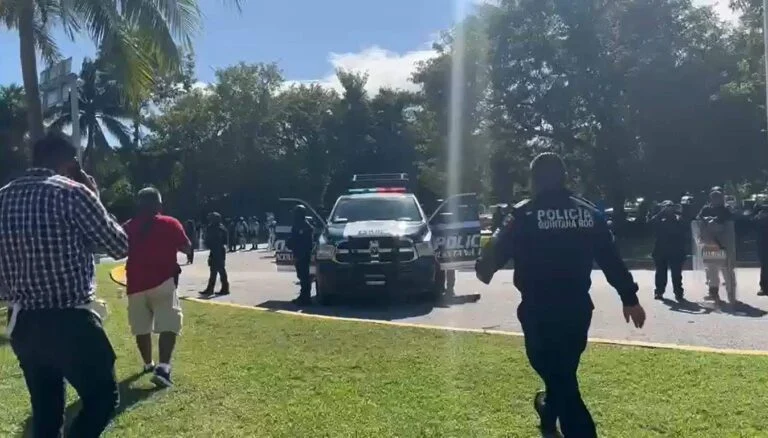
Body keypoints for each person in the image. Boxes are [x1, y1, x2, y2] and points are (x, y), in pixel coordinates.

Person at [475, 152, 645, 438]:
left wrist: (488, 252)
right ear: (565, 177)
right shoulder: (588, 213)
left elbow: (486, 266)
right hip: (577, 311)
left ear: (534, 180)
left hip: (539, 312)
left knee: (559, 377)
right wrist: (629, 297)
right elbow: (611, 258)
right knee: (563, 373)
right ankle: (547, 413)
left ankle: (568, 423)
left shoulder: (523, 215)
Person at [0, 134, 129, 438]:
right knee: (102, 398)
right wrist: (95, 196)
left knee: (46, 412)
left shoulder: (2, 198)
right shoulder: (73, 194)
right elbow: (119, 245)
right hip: (71, 320)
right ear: (70, 163)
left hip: (23, 323)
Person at [123, 188, 191, 388]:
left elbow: (118, 248)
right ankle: (163, 368)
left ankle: (147, 364)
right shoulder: (170, 223)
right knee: (169, 323)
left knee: (141, 327)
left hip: (135, 283)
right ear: (159, 205)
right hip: (163, 281)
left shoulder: (128, 226)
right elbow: (186, 246)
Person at [697, 190, 736, 303]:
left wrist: (716, 221)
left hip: (723, 243)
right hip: (710, 243)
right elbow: (699, 219)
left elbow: (729, 221)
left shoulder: (725, 209)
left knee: (727, 270)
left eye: (718, 197)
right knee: (712, 270)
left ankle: (731, 293)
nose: (716, 199)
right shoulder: (706, 209)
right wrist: (706, 220)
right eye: (714, 197)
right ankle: (713, 293)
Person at [649, 201, 687, 300]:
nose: (668, 209)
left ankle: (678, 293)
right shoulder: (659, 218)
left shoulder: (678, 218)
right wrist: (662, 212)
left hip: (676, 250)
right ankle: (659, 292)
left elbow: (683, 228)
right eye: (666, 207)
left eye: (670, 207)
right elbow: (650, 224)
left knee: (676, 274)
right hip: (660, 250)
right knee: (660, 273)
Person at [287, 205, 314, 306]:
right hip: (299, 252)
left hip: (303, 253)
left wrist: (292, 243)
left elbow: (302, 241)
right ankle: (303, 296)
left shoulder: (304, 226)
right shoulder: (298, 224)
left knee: (304, 276)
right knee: (301, 275)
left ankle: (306, 298)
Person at [202, 213, 230, 296]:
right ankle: (218, 288)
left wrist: (208, 244)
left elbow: (209, 239)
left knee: (218, 270)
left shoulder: (214, 228)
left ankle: (217, 289)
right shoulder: (221, 228)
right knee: (217, 270)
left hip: (217, 250)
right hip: (219, 250)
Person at [754, 202, 768, 296]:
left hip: (763, 244)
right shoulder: (758, 219)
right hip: (763, 244)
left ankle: (764, 287)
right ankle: (764, 287)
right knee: (765, 266)